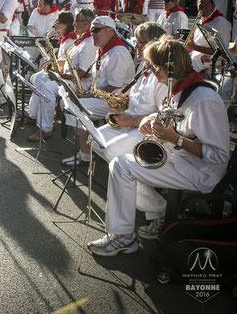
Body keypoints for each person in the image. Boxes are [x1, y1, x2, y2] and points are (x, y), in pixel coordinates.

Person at [87, 37, 230, 256]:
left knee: (122, 165)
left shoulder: (203, 100)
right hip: (179, 159)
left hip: (199, 173)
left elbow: (219, 156)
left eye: (154, 66)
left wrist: (176, 140)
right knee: (124, 164)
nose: (151, 71)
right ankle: (155, 213)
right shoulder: (181, 88)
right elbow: (175, 117)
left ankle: (123, 236)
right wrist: (151, 119)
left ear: (166, 69)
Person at [61, 16, 135, 165]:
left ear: (110, 31)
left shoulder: (117, 53)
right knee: (71, 104)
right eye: (91, 30)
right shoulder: (104, 50)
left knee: (75, 108)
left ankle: (86, 155)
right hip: (103, 97)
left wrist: (88, 95)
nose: (92, 33)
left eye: (96, 30)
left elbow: (115, 86)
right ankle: (86, 147)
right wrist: (87, 93)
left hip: (116, 102)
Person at [94, 22, 167, 162]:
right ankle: (121, 174)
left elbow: (162, 116)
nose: (136, 47)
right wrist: (120, 99)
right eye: (136, 42)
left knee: (110, 151)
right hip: (129, 119)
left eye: (140, 43)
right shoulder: (143, 65)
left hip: (145, 130)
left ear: (154, 44)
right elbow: (135, 93)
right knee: (93, 139)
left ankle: (131, 177)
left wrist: (130, 121)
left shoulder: (161, 75)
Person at [27, 10, 95, 140]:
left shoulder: (88, 44)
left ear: (86, 24)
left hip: (80, 85)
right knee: (40, 78)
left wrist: (60, 76)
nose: (74, 24)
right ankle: (34, 115)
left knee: (47, 87)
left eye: (77, 21)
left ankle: (45, 129)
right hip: (70, 78)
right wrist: (56, 67)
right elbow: (71, 63)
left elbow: (83, 74)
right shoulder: (81, 40)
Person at [186, 0, 232, 73]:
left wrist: (194, 47)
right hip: (196, 56)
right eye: (200, 6)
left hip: (212, 60)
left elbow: (222, 52)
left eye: (206, 6)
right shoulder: (201, 19)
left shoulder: (222, 23)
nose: (203, 9)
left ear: (213, 6)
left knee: (185, 67)